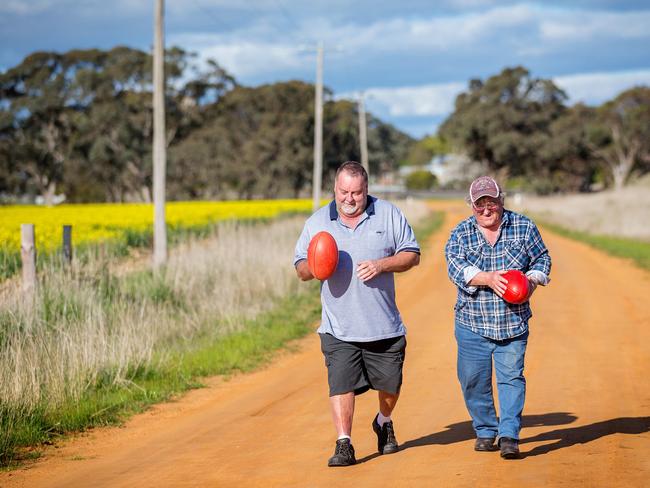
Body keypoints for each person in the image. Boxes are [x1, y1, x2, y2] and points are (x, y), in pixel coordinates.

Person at [294, 161, 420, 467]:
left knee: (390, 386)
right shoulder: (318, 222)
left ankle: (383, 421)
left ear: (367, 190)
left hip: (384, 325)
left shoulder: (388, 214)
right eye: (343, 192)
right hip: (339, 326)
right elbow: (300, 268)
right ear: (335, 189)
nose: (349, 199)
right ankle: (344, 443)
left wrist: (381, 265)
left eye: (357, 193)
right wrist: (316, 267)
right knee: (341, 383)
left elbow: (412, 255)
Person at [444, 176, 551, 459]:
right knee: (472, 380)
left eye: (491, 201)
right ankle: (485, 430)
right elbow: (455, 268)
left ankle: (509, 436)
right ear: (472, 206)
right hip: (472, 323)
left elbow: (542, 258)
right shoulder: (460, 233)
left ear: (501, 199)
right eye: (480, 204)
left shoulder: (524, 227)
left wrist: (532, 280)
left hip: (512, 322)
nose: (487, 209)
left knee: (512, 378)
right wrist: (487, 279)